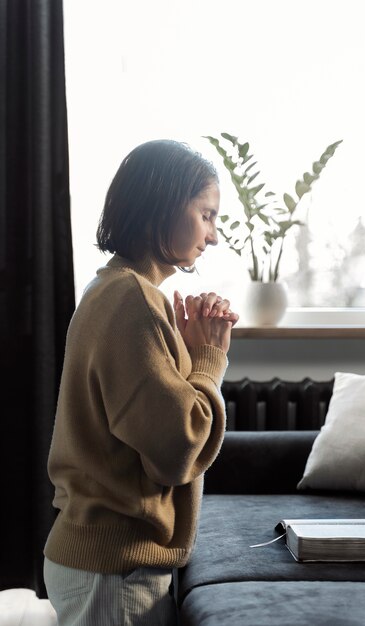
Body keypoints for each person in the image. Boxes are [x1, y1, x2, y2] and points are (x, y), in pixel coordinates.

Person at [43, 139, 239, 625]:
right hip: (115, 572)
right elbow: (177, 449)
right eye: (207, 214)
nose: (213, 236)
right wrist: (208, 358)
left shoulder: (115, 288)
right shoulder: (134, 301)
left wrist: (184, 354)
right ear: (166, 206)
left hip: (104, 564)